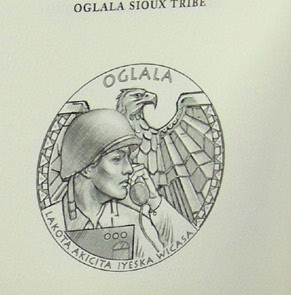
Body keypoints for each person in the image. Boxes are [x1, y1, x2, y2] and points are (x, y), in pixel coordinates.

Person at [47, 108, 194, 264]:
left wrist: (155, 202)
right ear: (87, 167)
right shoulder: (52, 220)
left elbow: (186, 257)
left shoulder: (134, 221)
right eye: (117, 159)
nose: (129, 169)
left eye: (128, 159)